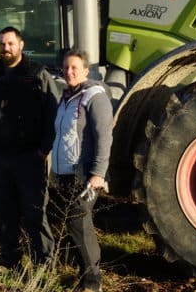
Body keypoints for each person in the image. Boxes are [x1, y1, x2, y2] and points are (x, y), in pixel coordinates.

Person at [0, 26, 57, 268]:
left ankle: (44, 263)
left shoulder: (36, 74)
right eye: (2, 44)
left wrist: (44, 149)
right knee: (5, 212)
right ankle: (11, 260)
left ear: (20, 45)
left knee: (34, 212)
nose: (6, 48)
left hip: (29, 156)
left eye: (10, 44)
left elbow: (51, 113)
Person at [51, 49, 113, 292]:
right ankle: (85, 275)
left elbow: (104, 136)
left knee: (80, 225)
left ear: (86, 71)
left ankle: (92, 283)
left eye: (74, 68)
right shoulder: (67, 97)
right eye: (66, 68)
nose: (69, 72)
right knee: (75, 226)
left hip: (84, 173)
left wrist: (98, 172)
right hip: (65, 171)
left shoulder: (94, 97)